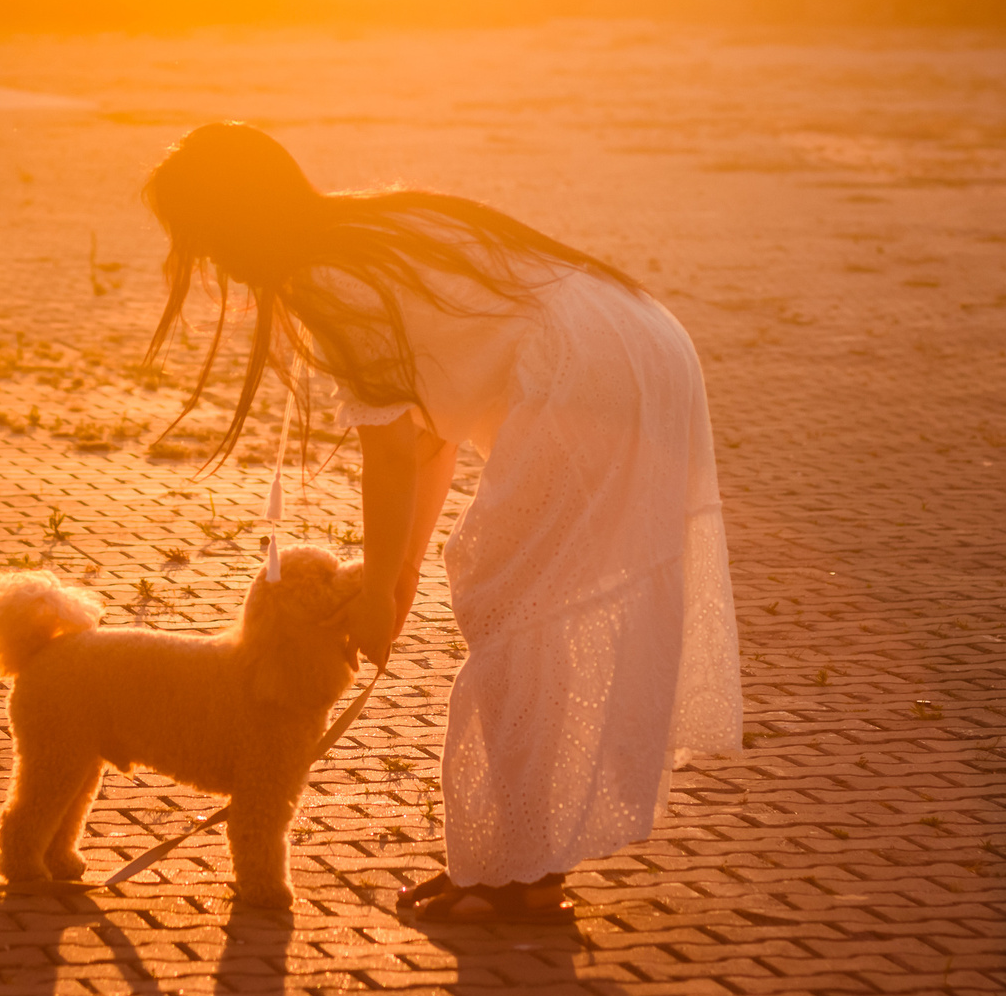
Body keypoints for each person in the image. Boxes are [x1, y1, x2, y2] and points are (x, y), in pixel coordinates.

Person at [142, 122, 742, 922]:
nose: (210, 260)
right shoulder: (369, 230)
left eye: (205, 238)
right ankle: (519, 861)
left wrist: (375, 591)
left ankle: (512, 873)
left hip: (589, 369)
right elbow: (431, 436)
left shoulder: (329, 278)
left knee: (504, 600)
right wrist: (400, 573)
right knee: (514, 597)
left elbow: (392, 453)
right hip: (641, 340)